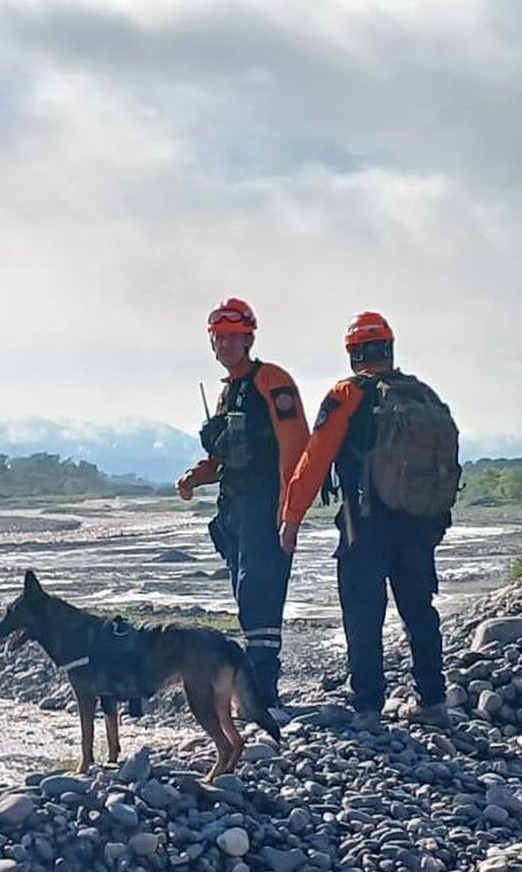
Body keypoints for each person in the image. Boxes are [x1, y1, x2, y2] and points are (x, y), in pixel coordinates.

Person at [279, 310, 459, 729]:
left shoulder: (347, 394)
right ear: (389, 348)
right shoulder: (424, 395)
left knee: (363, 613)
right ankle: (432, 700)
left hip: (366, 522)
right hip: (418, 523)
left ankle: (367, 708)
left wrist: (291, 518)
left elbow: (314, 459)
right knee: (419, 610)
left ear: (353, 353)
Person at [176, 297, 309, 711]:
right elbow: (223, 459)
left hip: (264, 505)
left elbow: (295, 447)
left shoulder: (272, 381)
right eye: (219, 338)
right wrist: (195, 478)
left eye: (234, 337)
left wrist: (288, 511)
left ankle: (264, 695)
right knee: (244, 594)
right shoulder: (226, 394)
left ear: (249, 338)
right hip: (233, 508)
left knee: (260, 596)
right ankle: (256, 694)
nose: (226, 345)